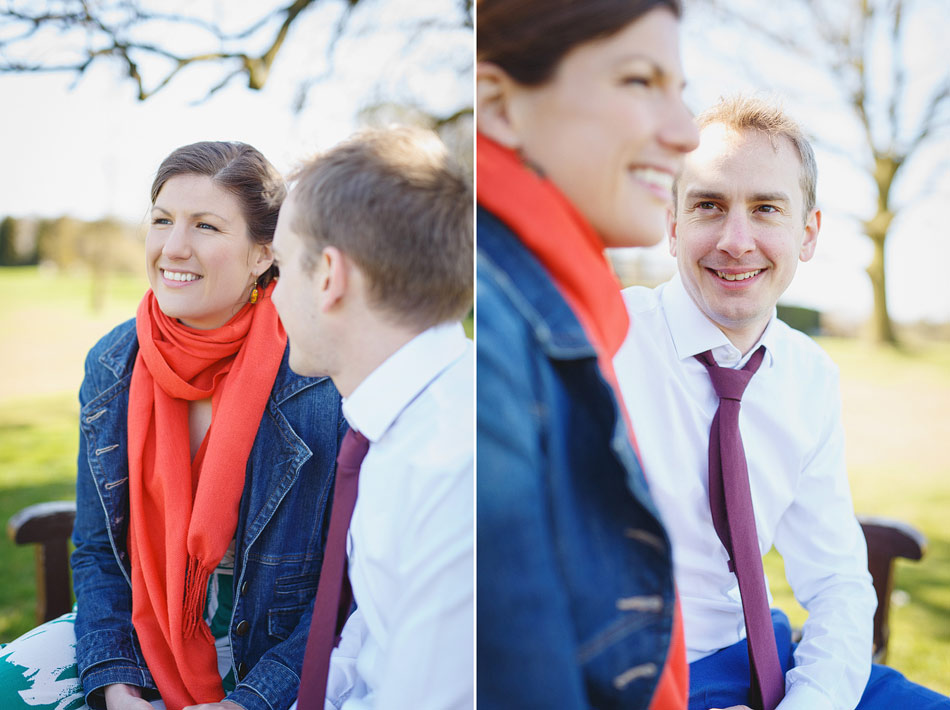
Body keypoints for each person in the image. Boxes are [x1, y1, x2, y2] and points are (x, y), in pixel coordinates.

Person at [613, 95, 950, 710]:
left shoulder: (809, 375)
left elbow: (838, 581)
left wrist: (813, 701)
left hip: (772, 655)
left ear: (808, 232)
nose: (737, 241)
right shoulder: (606, 343)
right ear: (672, 226)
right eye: (709, 205)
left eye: (766, 208)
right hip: (646, 681)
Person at [0, 141, 344, 710]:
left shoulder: (317, 372)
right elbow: (96, 550)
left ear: (264, 253)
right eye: (162, 220)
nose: (173, 247)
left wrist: (251, 702)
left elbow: (345, 584)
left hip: (272, 644)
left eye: (206, 226)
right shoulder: (113, 362)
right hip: (140, 623)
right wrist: (113, 684)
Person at [476, 0, 699, 707]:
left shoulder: (566, 306)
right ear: (499, 105)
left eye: (680, 92)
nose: (687, 133)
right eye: (639, 81)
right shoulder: (500, 332)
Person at [269, 127, 473, 710]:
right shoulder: (396, 426)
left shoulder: (451, 469)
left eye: (281, 268)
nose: (273, 295)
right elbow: (371, 638)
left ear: (329, 276)